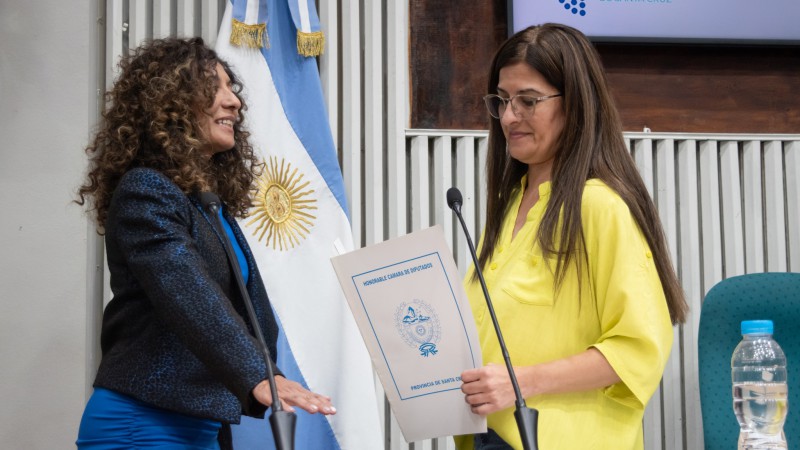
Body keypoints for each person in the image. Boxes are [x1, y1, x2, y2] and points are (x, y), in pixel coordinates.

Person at [75, 37, 334, 449]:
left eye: (233, 89)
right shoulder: (145, 191)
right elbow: (190, 295)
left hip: (200, 426)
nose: (234, 102)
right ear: (171, 101)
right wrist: (258, 374)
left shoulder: (207, 206)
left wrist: (271, 372)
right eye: (217, 88)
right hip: (142, 424)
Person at [455, 23, 689, 450]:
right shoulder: (508, 206)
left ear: (577, 104)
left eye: (528, 100)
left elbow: (637, 349)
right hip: (490, 437)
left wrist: (520, 382)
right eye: (502, 101)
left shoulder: (599, 206)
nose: (509, 117)